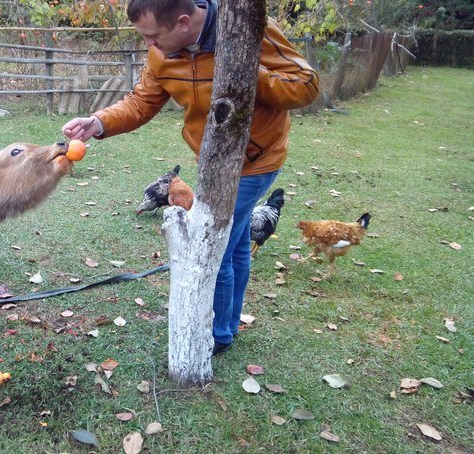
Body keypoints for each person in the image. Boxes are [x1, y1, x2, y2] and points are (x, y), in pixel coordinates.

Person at [62, 0, 319, 356]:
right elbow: (141, 101)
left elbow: (306, 86)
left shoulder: (250, 28)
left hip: (257, 160)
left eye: (153, 36)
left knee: (217, 250)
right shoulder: (162, 53)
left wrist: (244, 72)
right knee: (237, 243)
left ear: (184, 22)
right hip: (213, 162)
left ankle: (218, 333)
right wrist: (99, 121)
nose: (149, 45)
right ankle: (227, 325)